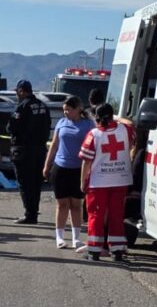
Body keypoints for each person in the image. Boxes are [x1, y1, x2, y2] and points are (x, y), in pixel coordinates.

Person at [79, 103, 135, 262]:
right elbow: (130, 123)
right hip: (121, 180)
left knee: (96, 215)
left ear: (96, 117)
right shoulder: (126, 130)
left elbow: (86, 162)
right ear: (112, 116)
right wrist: (116, 118)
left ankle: (94, 251)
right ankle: (117, 251)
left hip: (98, 182)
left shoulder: (94, 134)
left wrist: (83, 181)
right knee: (116, 215)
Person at [42, 96, 95, 250]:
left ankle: (76, 238)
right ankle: (59, 237)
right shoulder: (61, 123)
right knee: (62, 204)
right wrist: (47, 165)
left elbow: (93, 146)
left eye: (68, 110)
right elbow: (54, 144)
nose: (65, 112)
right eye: (64, 110)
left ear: (78, 108)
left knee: (76, 204)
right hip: (60, 167)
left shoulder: (88, 125)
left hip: (79, 169)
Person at [7, 79, 50, 224]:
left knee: (24, 183)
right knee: (36, 183)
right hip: (40, 150)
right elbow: (47, 126)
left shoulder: (22, 106)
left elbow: (11, 127)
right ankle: (34, 212)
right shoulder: (43, 105)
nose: (17, 94)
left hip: (24, 151)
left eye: (17, 92)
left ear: (21, 91)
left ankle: (29, 214)